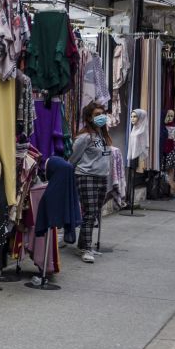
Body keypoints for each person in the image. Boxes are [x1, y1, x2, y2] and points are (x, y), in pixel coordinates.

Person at [69, 102, 112, 263]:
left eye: (102, 113)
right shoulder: (84, 137)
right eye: (96, 114)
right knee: (90, 213)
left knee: (95, 213)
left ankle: (83, 244)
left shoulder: (102, 135)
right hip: (86, 176)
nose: (101, 116)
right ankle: (86, 248)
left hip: (102, 177)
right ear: (89, 117)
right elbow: (72, 158)